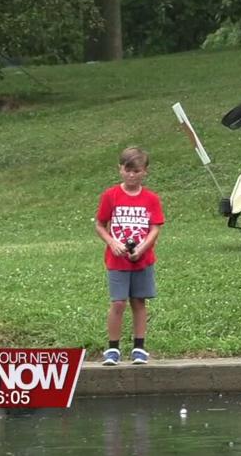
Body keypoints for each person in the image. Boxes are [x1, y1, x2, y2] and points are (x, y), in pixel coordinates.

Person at [95, 147, 165, 366]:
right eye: (127, 170)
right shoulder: (111, 195)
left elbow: (155, 228)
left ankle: (139, 347)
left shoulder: (151, 198)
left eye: (136, 171)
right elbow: (100, 224)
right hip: (117, 261)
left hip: (142, 260)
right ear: (120, 170)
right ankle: (113, 349)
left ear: (145, 171)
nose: (131, 175)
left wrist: (142, 248)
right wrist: (112, 242)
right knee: (118, 303)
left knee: (139, 301)